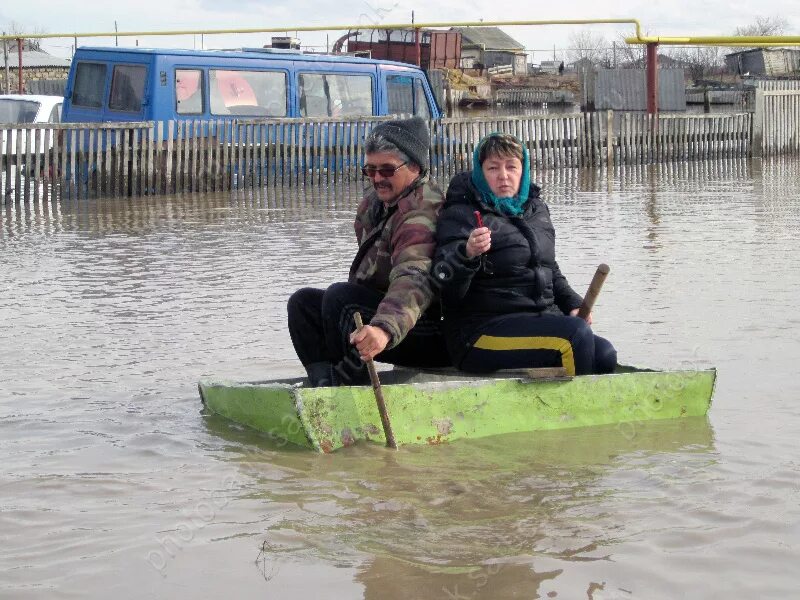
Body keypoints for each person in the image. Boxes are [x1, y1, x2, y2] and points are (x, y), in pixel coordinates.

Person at [432, 132, 616, 376]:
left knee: (604, 354)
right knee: (575, 336)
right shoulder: (461, 213)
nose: (503, 176)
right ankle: (575, 412)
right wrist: (467, 254)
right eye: (493, 168)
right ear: (480, 172)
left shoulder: (536, 209)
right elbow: (446, 287)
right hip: (480, 333)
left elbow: (549, 268)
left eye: (511, 167)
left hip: (538, 318)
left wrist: (572, 303)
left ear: (524, 170)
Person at [288, 117, 449, 387]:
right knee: (303, 304)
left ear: (414, 167)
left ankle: (354, 390)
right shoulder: (376, 205)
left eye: (386, 171)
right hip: (394, 317)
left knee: (342, 300)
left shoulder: (422, 211)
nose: (376, 179)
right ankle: (324, 385)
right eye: (370, 170)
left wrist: (383, 329)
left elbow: (414, 277)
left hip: (427, 328)